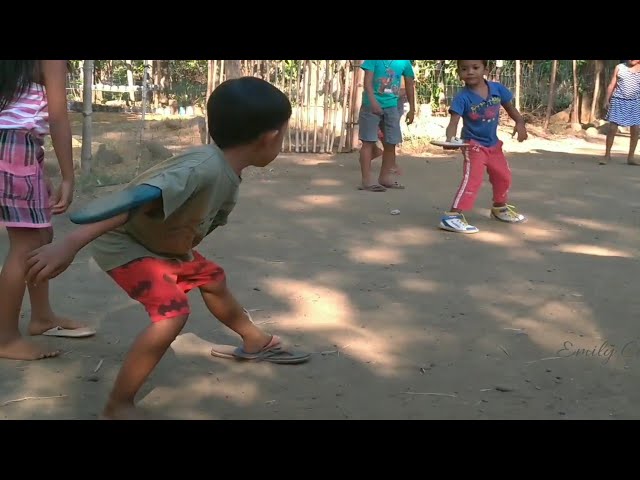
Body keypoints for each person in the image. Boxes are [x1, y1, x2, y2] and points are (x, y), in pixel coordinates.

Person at [25, 76, 310, 420]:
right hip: (128, 244)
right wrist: (70, 243)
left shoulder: (221, 168)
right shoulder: (201, 168)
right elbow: (135, 200)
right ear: (270, 137)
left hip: (163, 245)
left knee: (213, 279)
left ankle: (255, 341)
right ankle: (118, 406)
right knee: (172, 315)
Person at [0, 60, 95, 361]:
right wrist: (68, 175)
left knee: (42, 234)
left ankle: (41, 318)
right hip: (16, 147)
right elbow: (57, 117)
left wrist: (39, 171)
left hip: (17, 146)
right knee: (25, 246)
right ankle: (4, 338)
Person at [439, 60, 528, 234]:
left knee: (503, 176)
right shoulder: (462, 97)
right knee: (472, 180)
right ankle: (452, 216)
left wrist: (520, 123)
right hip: (473, 145)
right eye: (464, 69)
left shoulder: (497, 89)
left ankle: (499, 208)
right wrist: (450, 139)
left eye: (475, 68)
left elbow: (510, 108)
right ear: (459, 73)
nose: (470, 72)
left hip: (493, 144)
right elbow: (453, 122)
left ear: (485, 70)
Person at [357, 60, 415, 192]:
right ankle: (366, 181)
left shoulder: (404, 63)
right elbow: (367, 83)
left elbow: (410, 84)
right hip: (370, 106)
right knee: (368, 142)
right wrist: (373, 102)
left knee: (391, 142)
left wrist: (412, 109)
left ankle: (384, 178)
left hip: (392, 107)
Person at [601, 60, 640, 165]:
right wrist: (606, 99)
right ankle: (607, 155)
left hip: (636, 102)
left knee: (636, 129)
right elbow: (612, 84)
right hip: (618, 100)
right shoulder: (620, 67)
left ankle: (631, 157)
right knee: (612, 128)